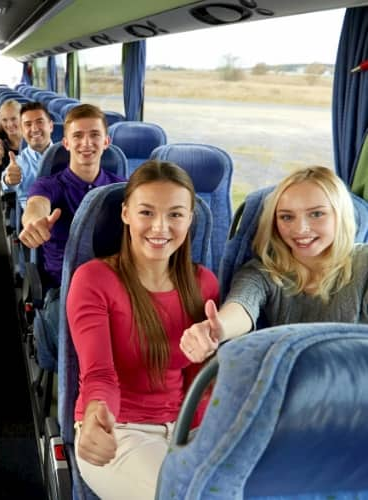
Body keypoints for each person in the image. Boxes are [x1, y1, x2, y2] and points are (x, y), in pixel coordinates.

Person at [68, 161, 219, 499]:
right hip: (120, 431)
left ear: (191, 218)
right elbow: (99, 374)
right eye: (146, 212)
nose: (160, 227)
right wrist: (96, 415)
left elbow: (199, 380)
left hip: (186, 431)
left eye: (176, 215)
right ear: (125, 214)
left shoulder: (203, 284)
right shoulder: (94, 280)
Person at [182, 165, 368, 362]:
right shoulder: (262, 272)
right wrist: (217, 329)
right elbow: (242, 305)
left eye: (316, 214)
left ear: (340, 215)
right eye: (287, 217)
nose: (301, 229)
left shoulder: (364, 264)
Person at [19, 104, 125, 353]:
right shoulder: (49, 185)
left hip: (116, 284)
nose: (86, 143)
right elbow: (36, 205)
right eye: (77, 136)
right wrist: (33, 222)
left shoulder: (122, 188)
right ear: (66, 143)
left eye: (94, 135)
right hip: (64, 285)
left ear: (106, 141)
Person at [0, 101, 54, 209]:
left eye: (40, 122)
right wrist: (8, 179)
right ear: (22, 131)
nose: (34, 129)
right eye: (28, 124)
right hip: (35, 220)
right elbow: (6, 180)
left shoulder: (68, 155)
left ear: (51, 126)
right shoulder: (18, 161)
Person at [0, 99, 23, 182]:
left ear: (22, 118)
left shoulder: (33, 140)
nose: (9, 124)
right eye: (4, 120)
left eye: (13, 119)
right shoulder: (1, 143)